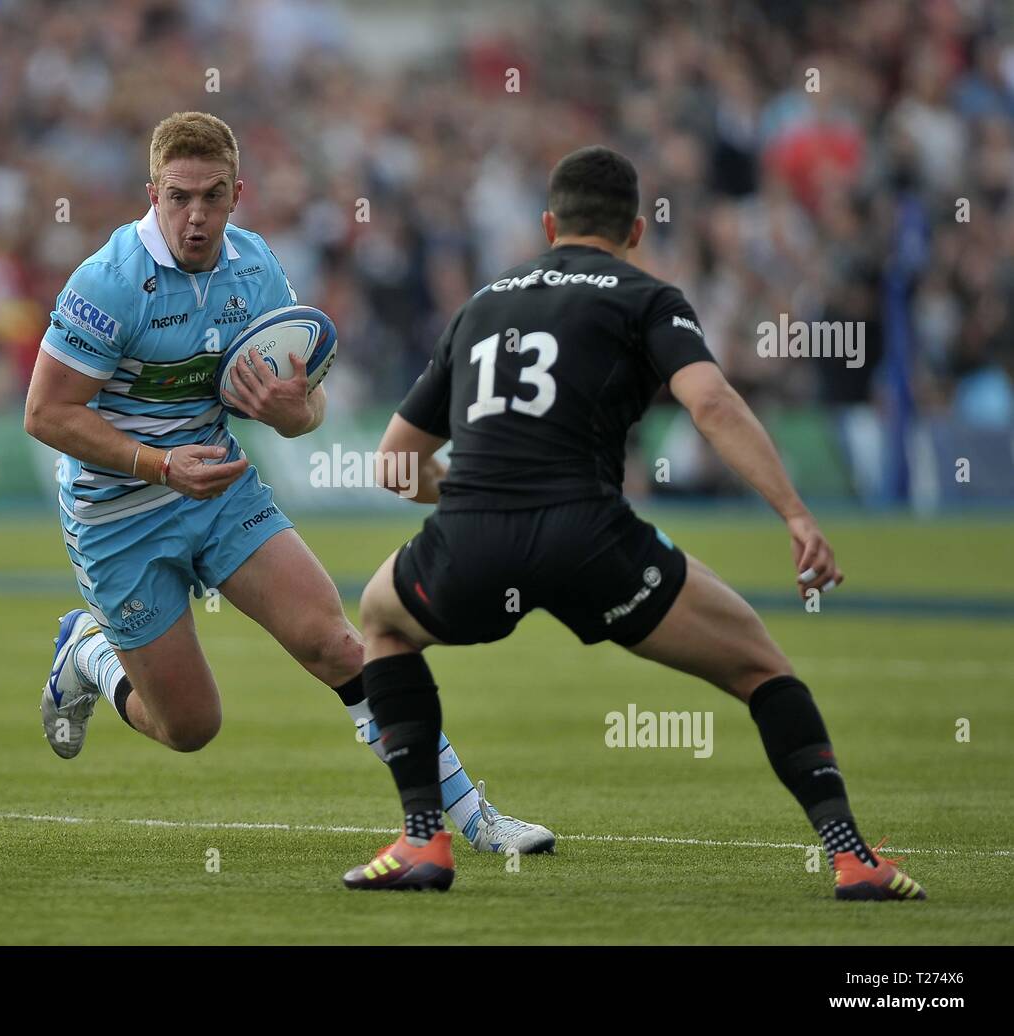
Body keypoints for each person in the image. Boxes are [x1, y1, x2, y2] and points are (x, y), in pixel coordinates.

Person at [341, 145, 926, 901]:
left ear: (549, 223)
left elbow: (394, 463)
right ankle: (852, 859)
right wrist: (795, 512)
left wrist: (471, 491)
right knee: (762, 669)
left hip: (472, 546)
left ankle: (424, 841)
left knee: (382, 622)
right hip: (591, 544)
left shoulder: (481, 304)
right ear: (638, 230)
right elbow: (711, 404)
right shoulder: (647, 295)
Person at [23, 111, 554, 855]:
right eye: (178, 197)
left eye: (211, 196)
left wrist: (293, 410)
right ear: (151, 193)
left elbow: (308, 409)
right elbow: (45, 413)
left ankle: (473, 820)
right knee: (190, 727)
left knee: (339, 643)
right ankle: (87, 651)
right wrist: (160, 464)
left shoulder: (257, 268)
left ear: (238, 193)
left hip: (223, 491)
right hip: (119, 515)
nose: (195, 216)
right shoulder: (109, 283)